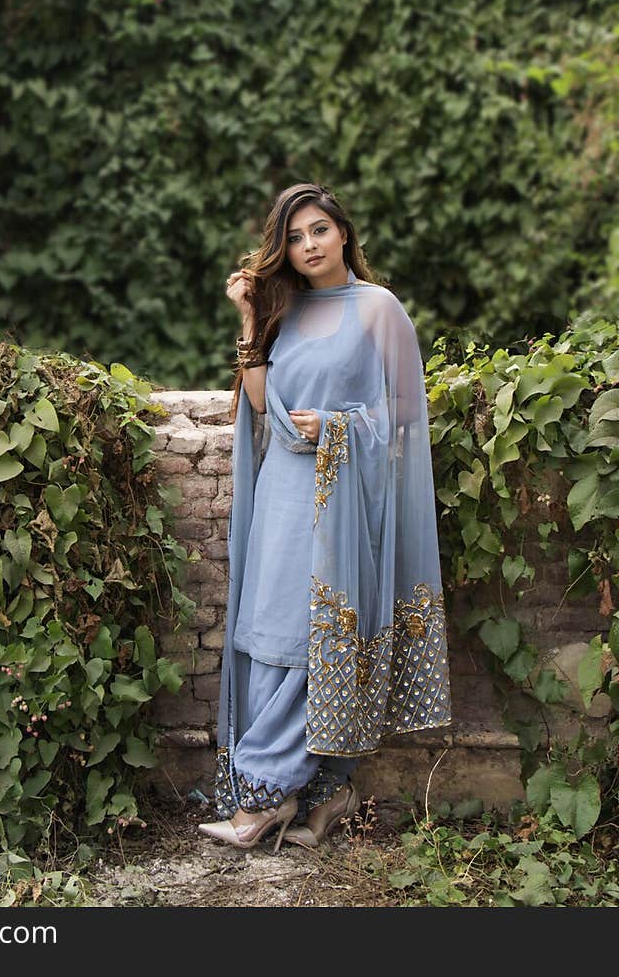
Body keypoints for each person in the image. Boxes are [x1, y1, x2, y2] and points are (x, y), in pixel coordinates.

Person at [198, 182, 452, 852]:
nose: (308, 245)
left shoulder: (378, 309)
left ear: (343, 234)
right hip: (282, 492)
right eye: (294, 237)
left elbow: (404, 408)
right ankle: (329, 794)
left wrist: (340, 425)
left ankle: (264, 800)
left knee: (313, 642)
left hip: (338, 497)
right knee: (269, 635)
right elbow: (260, 405)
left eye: (319, 230)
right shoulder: (287, 308)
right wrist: (251, 321)